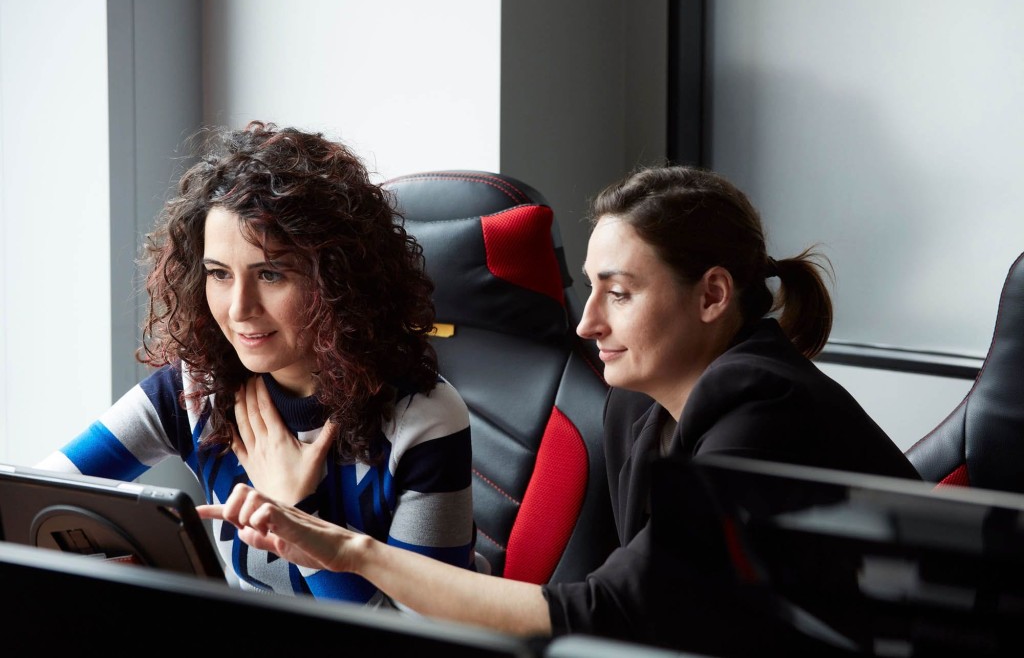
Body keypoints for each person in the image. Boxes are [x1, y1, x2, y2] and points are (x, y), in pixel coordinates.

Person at [197, 165, 920, 650]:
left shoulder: (761, 405)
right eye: (589, 288)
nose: (586, 322)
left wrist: (344, 548)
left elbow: (610, 613)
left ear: (712, 296)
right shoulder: (635, 409)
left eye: (621, 292)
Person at [36, 120, 476, 605]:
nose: (239, 308)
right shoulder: (195, 389)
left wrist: (296, 511)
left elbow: (428, 643)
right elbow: (32, 500)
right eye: (219, 274)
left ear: (339, 281)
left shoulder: (424, 418)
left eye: (270, 273)